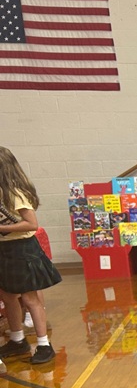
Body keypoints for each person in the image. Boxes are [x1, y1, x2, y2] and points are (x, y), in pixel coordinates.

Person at [0, 147, 61, 364]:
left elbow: (31, 224)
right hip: (5, 249)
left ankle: (44, 344)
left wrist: (3, 228)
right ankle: (17, 340)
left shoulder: (16, 193)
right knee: (8, 296)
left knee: (29, 297)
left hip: (22, 248)